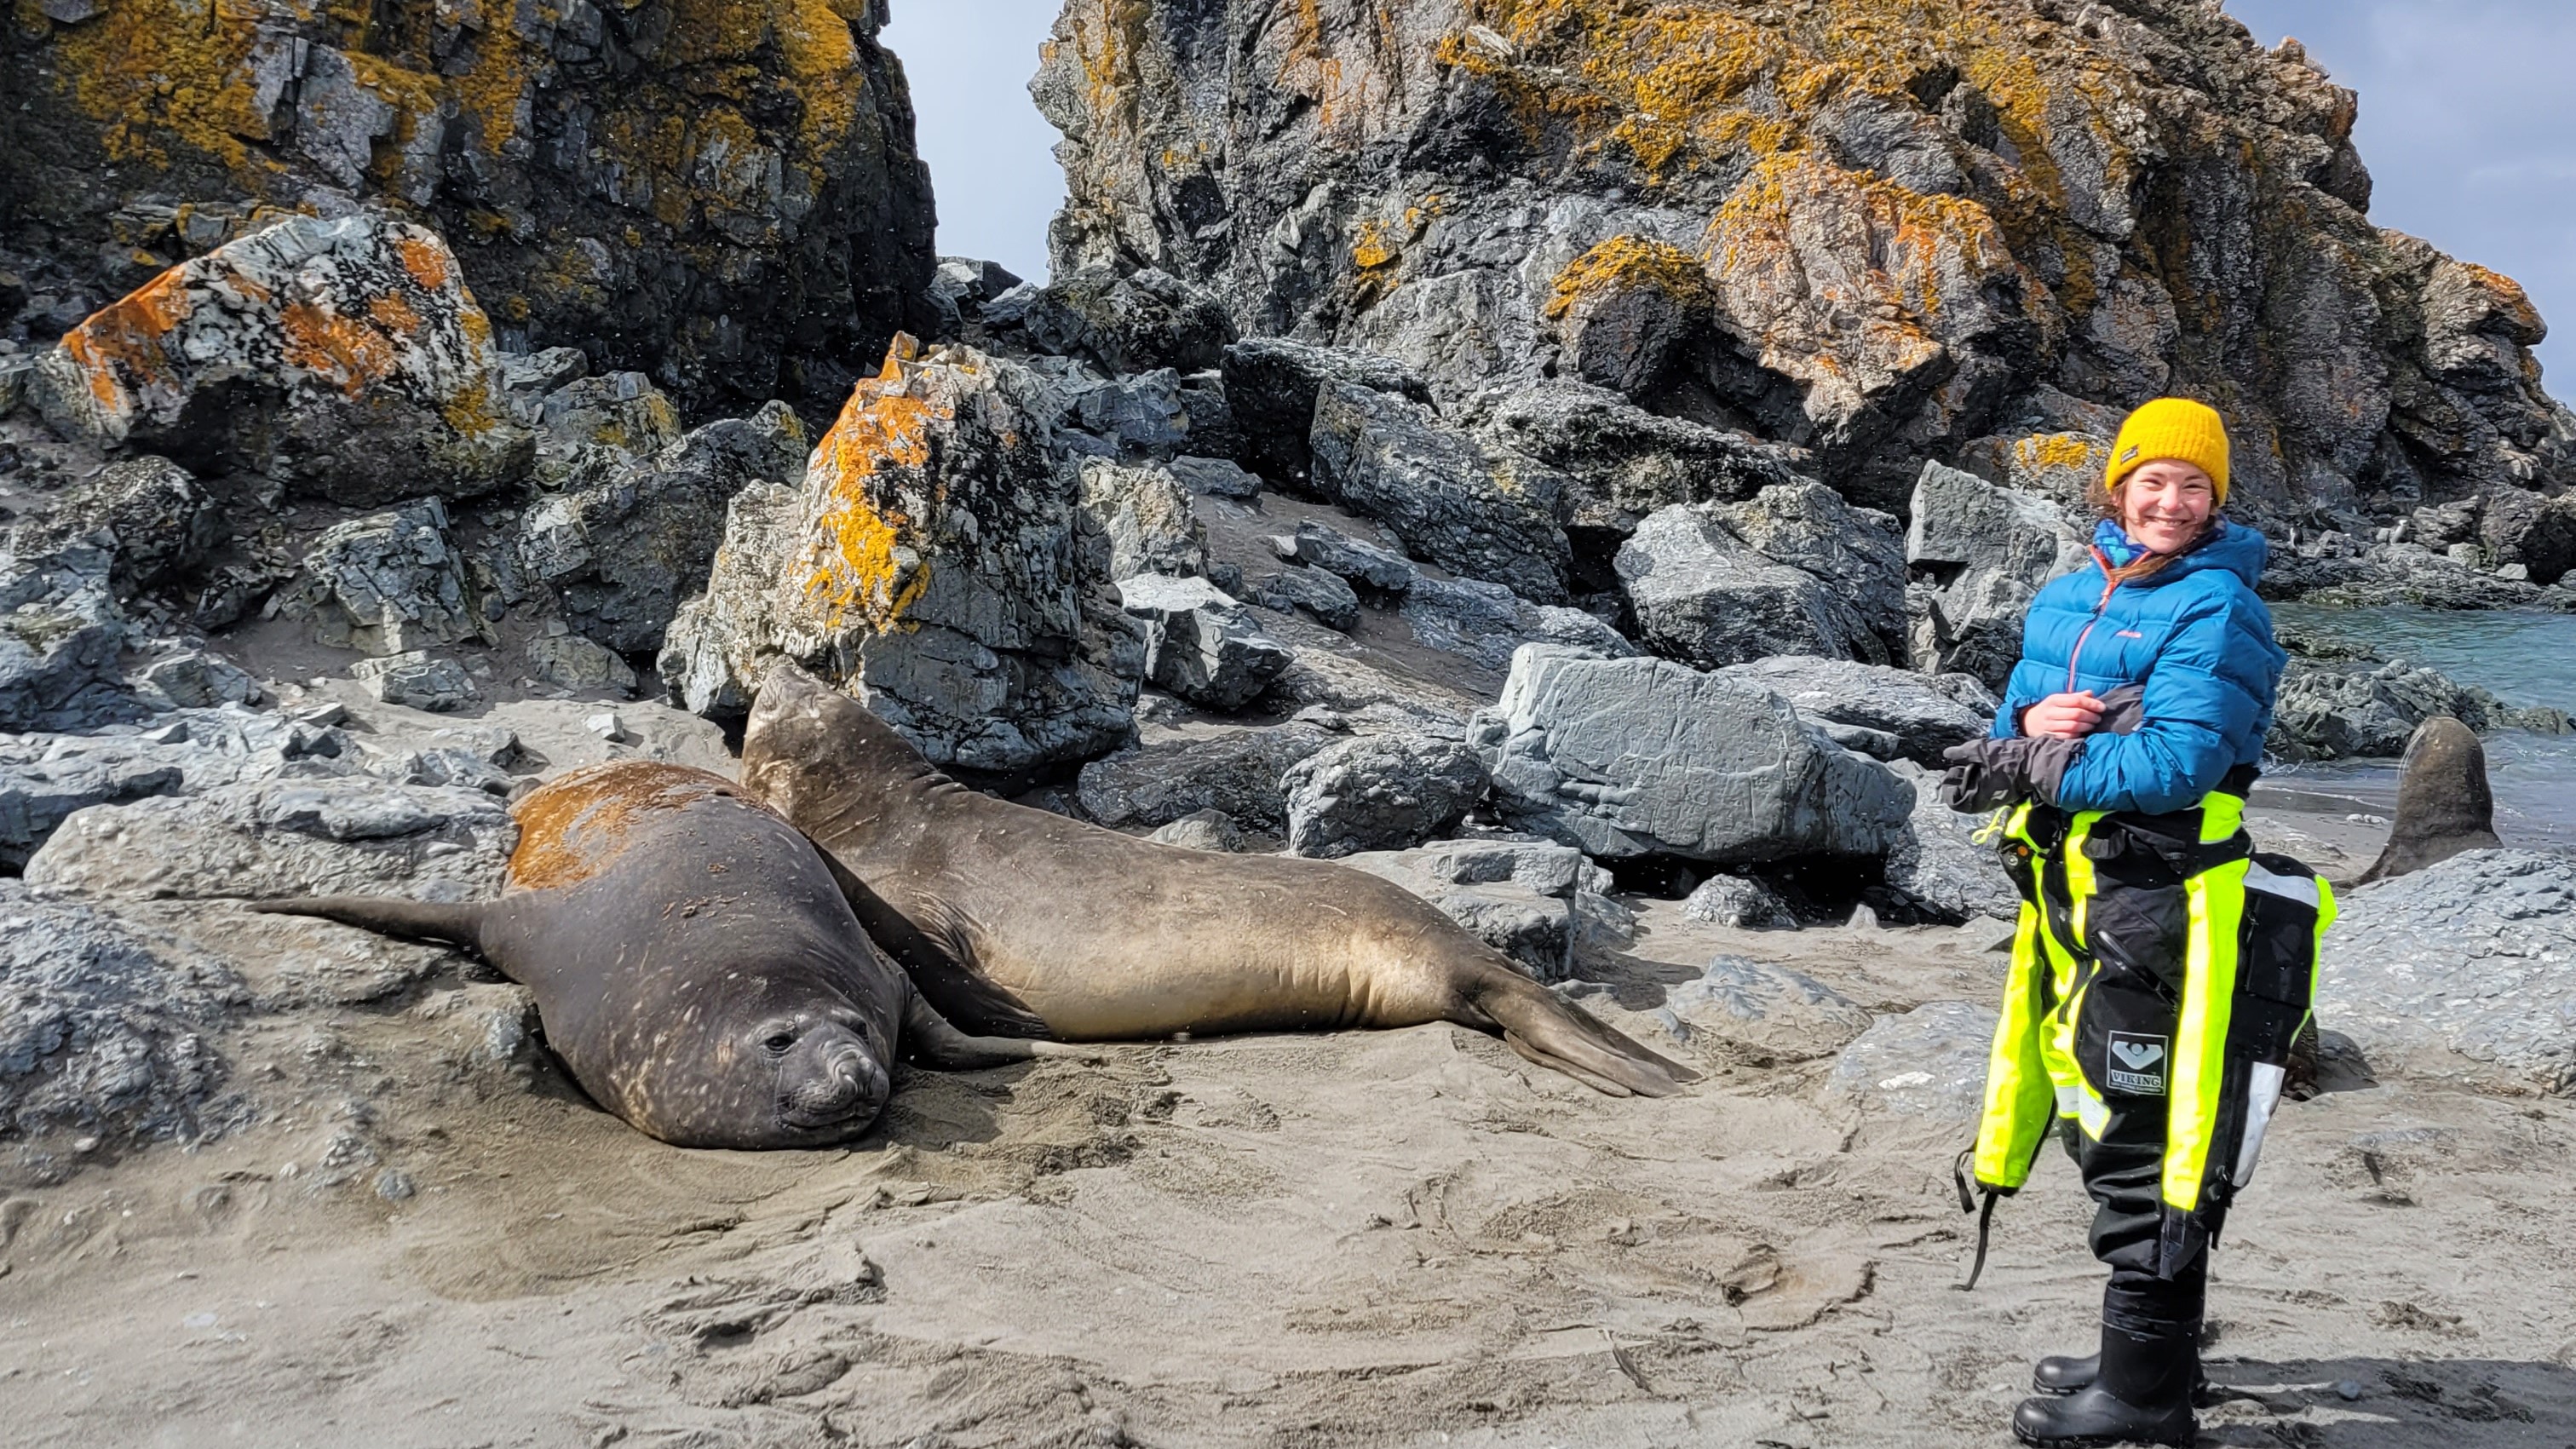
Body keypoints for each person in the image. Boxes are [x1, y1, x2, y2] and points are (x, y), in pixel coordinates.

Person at [1937, 398, 2337, 1447]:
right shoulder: (2067, 597)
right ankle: (2156, 1355)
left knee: (2145, 1127)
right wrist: (2024, 726)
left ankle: (2147, 1393)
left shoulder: (2222, 608)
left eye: (2193, 485)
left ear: (2216, 502)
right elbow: (2009, 727)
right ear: (2115, 490)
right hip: (2076, 891)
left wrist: (2040, 761)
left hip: (2164, 900)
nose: (2170, 500)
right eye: (2151, 481)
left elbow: (2179, 765)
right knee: (2089, 1102)